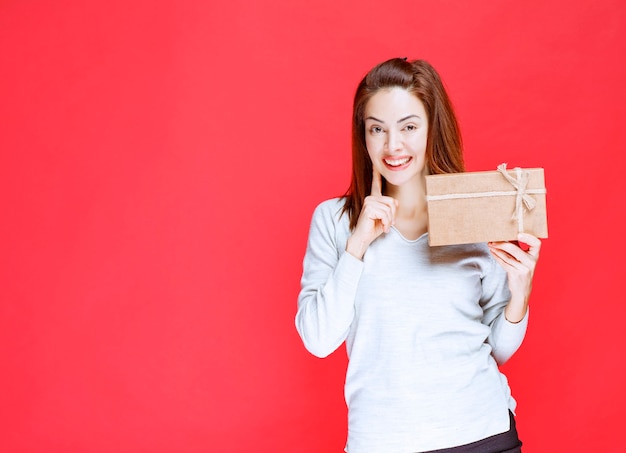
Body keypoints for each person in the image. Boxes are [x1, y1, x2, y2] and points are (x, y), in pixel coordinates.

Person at [295, 58, 541, 453]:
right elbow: (318, 339)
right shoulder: (334, 221)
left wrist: (519, 294)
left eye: (409, 127)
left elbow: (497, 349)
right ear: (364, 136)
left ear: (431, 129)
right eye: (378, 129)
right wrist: (356, 247)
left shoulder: (473, 212)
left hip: (482, 435)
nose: (393, 146)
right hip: (381, 441)